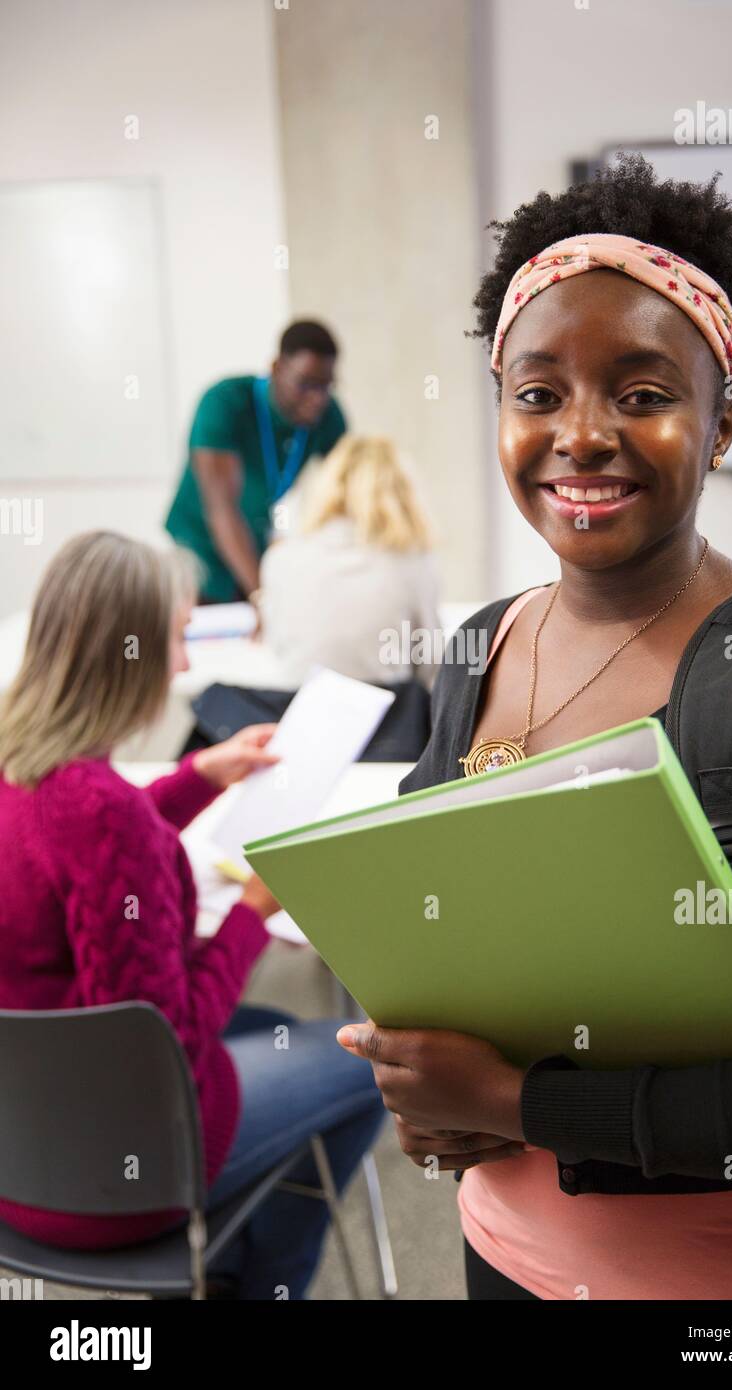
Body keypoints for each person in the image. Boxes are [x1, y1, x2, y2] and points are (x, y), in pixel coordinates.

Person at [335, 152, 732, 1300]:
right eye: (537, 394)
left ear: (719, 425)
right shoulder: (474, 648)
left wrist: (509, 1102)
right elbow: (422, 939)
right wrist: (422, 1092)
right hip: (495, 1255)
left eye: (641, 393)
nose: (579, 434)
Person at [0, 531, 383, 1300]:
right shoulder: (108, 817)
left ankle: (238, 1267)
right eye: (175, 639)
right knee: (372, 1058)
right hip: (122, 1171)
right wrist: (251, 912)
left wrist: (197, 777)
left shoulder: (21, 770)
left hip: (22, 1152)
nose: (182, 664)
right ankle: (256, 1287)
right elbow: (165, 1041)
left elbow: (70, 846)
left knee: (267, 1021)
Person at [165, 320, 348, 603]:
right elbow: (221, 508)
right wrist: (262, 595)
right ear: (277, 368)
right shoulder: (224, 402)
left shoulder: (328, 416)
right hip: (199, 551)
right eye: (305, 384)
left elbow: (352, 492)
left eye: (326, 386)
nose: (317, 398)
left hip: (253, 547)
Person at [258, 435, 441, 690]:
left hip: (299, 715)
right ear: (401, 492)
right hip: (392, 722)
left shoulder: (279, 561)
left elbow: (281, 648)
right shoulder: (414, 563)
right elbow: (428, 663)